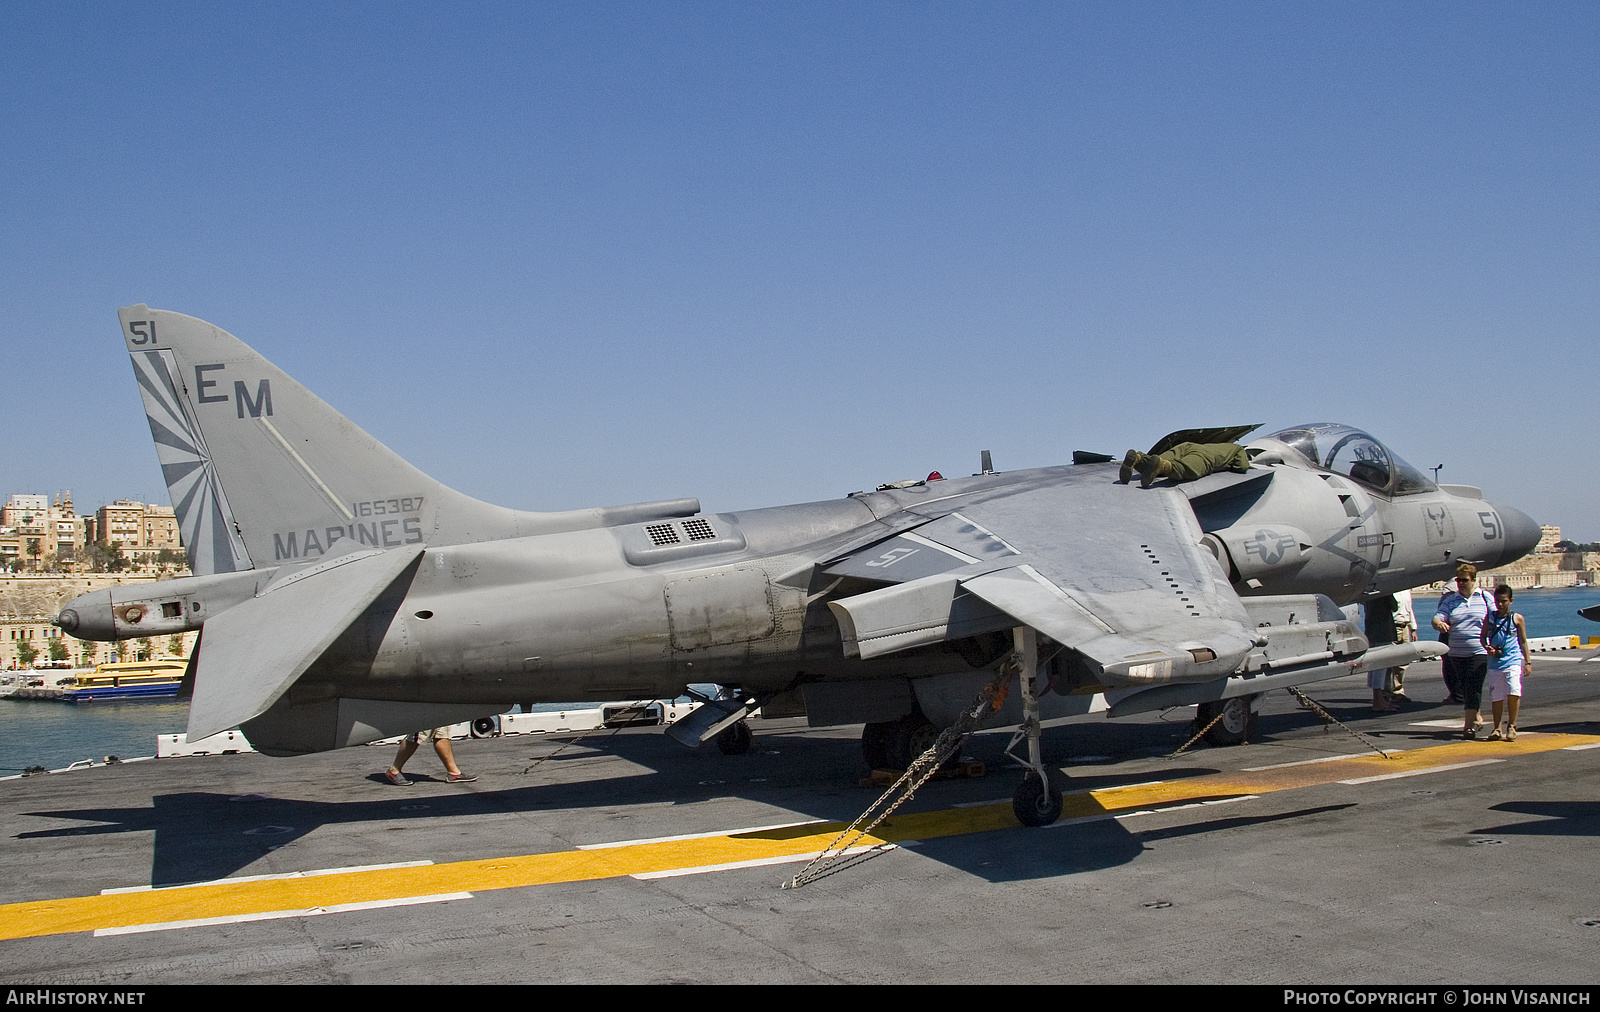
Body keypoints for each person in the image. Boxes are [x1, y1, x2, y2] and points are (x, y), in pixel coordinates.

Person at [1432, 563, 1495, 738]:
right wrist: (1439, 624)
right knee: (1465, 687)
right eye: (1458, 580)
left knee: (1473, 685)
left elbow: (1496, 617)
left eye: (1465, 580)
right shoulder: (1451, 600)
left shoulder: (1484, 597)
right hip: (1456, 652)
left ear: (1474, 580)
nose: (1461, 583)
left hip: (1479, 649)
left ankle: (1469, 726)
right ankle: (1475, 716)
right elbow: (1438, 617)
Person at [1481, 584, 1530, 741]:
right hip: (1495, 663)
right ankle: (1496, 728)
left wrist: (1527, 661)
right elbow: (1482, 637)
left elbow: (1523, 640)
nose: (1500, 605)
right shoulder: (1490, 617)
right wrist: (1487, 647)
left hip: (1513, 660)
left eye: (1503, 601)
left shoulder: (1517, 618)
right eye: (1498, 601)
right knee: (1497, 696)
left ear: (1510, 601)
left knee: (1514, 691)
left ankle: (1512, 725)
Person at [1119, 443, 1251, 488]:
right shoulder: (1238, 449)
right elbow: (1242, 467)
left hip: (1188, 446)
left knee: (1155, 461)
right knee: (1185, 469)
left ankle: (1138, 458)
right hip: (1205, 456)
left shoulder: (1224, 445)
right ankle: (1163, 466)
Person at [385, 727, 477, 785]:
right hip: (424, 701)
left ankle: (454, 773)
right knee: (417, 735)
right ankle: (394, 770)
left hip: (438, 701)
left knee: (441, 734)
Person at [1389, 589, 1417, 702]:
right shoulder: (1391, 592)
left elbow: (1409, 609)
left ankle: (1398, 690)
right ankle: (1386, 690)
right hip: (1393, 626)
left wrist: (1413, 628)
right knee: (1389, 660)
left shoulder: (1406, 591)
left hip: (1404, 626)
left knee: (1403, 661)